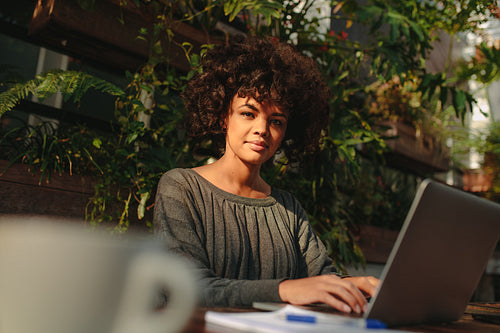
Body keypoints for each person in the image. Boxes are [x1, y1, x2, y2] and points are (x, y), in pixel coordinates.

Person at [153, 35, 379, 313]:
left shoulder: (287, 208)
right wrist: (283, 289)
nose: (262, 129)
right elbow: (187, 287)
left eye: (276, 121)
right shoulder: (182, 188)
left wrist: (353, 285)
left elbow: (320, 279)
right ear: (224, 116)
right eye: (249, 113)